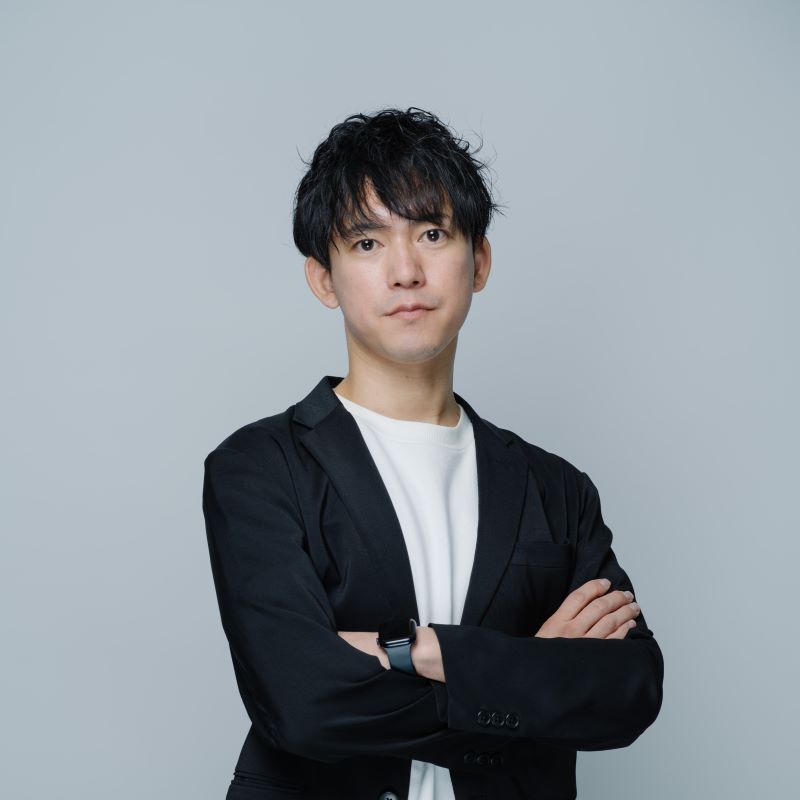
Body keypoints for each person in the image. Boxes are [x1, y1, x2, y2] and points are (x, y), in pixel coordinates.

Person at [201, 107, 664, 800]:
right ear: (323, 278)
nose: (406, 271)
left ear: (480, 262)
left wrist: (420, 651)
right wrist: (530, 671)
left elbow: (630, 689)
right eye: (366, 242)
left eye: (432, 233)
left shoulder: (555, 488)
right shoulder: (260, 469)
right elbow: (303, 705)